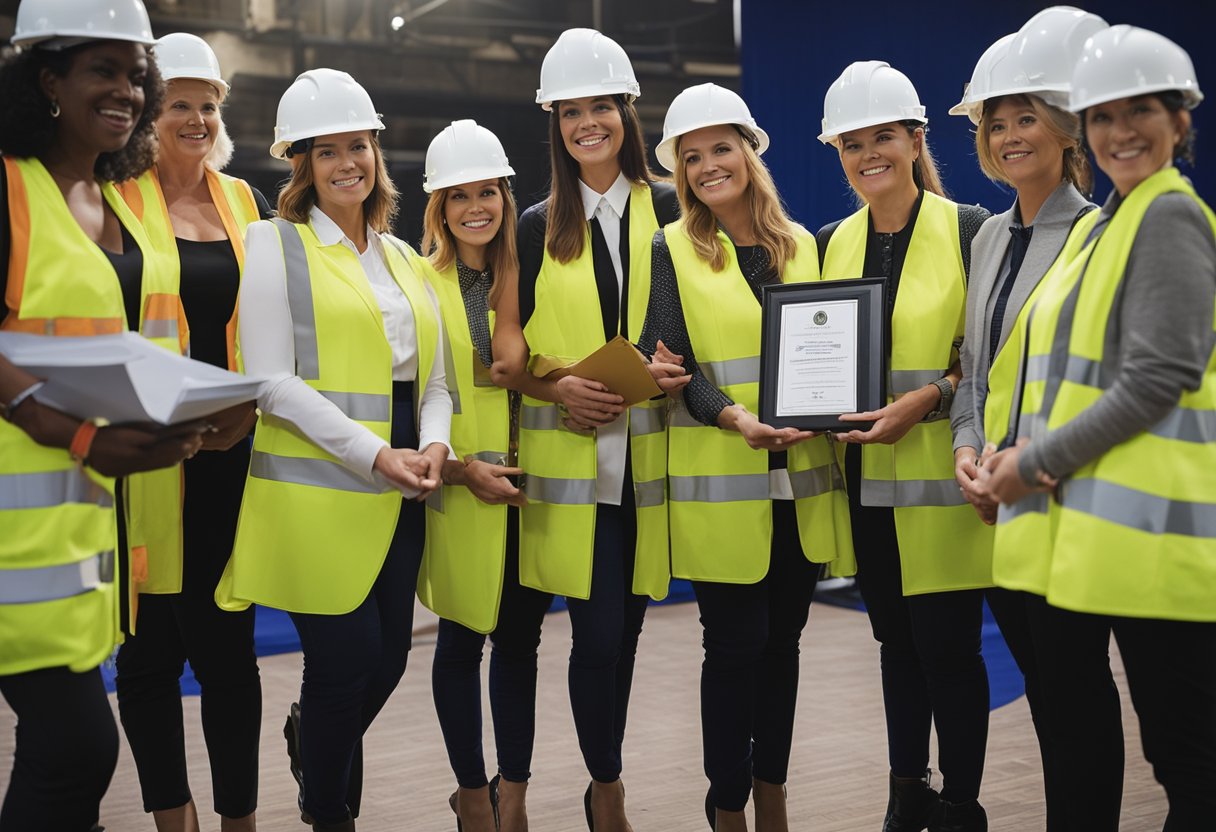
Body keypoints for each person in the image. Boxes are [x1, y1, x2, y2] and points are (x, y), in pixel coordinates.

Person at [982, 25, 1216, 830]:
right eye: (1104, 116)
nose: (1122, 132)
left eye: (1141, 111)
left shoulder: (1168, 217)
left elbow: (1158, 377)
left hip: (1160, 544)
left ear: (1180, 121)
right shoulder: (1115, 223)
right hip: (1108, 536)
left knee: (1191, 762)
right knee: (1165, 748)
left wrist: (1032, 463)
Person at [214, 68, 452, 832]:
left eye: (359, 145)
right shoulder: (274, 243)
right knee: (344, 662)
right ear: (301, 164)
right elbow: (269, 382)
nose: (347, 162)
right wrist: (376, 455)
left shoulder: (407, 259)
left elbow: (436, 382)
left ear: (378, 152)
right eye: (327, 151)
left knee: (386, 660)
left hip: (409, 477)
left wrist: (436, 446)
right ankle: (328, 815)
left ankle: (310, 745)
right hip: (324, 488)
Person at [0, 0, 207, 828]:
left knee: (67, 765)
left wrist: (190, 418)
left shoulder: (113, 202)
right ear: (47, 79)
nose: (126, 90)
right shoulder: (11, 189)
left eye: (135, 73)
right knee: (77, 749)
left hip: (75, 536)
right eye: (102, 70)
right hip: (14, 535)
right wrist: (78, 433)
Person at [640, 82, 854, 832]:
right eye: (691, 157)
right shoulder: (669, 250)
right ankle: (728, 803)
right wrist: (733, 416)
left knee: (784, 648)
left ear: (749, 152)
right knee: (734, 648)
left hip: (801, 484)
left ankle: (774, 794)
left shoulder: (804, 246)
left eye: (719, 149)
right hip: (722, 485)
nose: (707, 167)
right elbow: (670, 364)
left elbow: (832, 355)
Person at [492, 27, 685, 831]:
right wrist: (558, 386)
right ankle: (561, 790)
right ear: (555, 124)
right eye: (571, 113)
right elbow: (508, 355)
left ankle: (604, 783)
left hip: (646, 460)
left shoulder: (674, 206)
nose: (587, 125)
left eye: (600, 107)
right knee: (578, 636)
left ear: (627, 112)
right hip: (565, 466)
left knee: (619, 637)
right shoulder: (536, 224)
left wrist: (682, 369)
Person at [948, 9, 1126, 831]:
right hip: (998, 499)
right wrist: (967, 449)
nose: (1010, 135)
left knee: (1076, 694)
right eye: (996, 122)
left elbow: (1096, 384)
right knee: (1050, 699)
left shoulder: (1098, 235)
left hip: (1064, 498)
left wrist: (1023, 461)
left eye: (1027, 118)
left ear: (1066, 129)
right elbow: (976, 373)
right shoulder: (986, 238)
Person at [816, 61, 992, 831]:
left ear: (917, 139)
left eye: (882, 137)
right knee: (894, 644)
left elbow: (989, 364)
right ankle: (906, 788)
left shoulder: (971, 231)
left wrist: (930, 398)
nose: (867, 156)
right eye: (851, 144)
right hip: (867, 484)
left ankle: (961, 804)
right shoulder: (830, 244)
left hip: (945, 478)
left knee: (950, 650)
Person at [111, 32, 272, 832]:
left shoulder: (246, 202)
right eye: (181, 102)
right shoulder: (110, 197)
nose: (198, 117)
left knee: (227, 655)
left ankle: (238, 818)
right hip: (140, 455)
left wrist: (249, 408)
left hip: (229, 456)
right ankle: (174, 818)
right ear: (148, 110)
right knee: (146, 658)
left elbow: (277, 323)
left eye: (210, 105)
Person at [412, 119, 549, 832]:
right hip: (460, 487)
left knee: (520, 647)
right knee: (462, 642)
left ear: (505, 193)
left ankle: (513, 792)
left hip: (531, 484)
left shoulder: (534, 274)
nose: (476, 207)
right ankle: (471, 792)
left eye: (488, 191)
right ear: (437, 205)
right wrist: (466, 472)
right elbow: (414, 401)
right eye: (458, 194)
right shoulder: (417, 281)